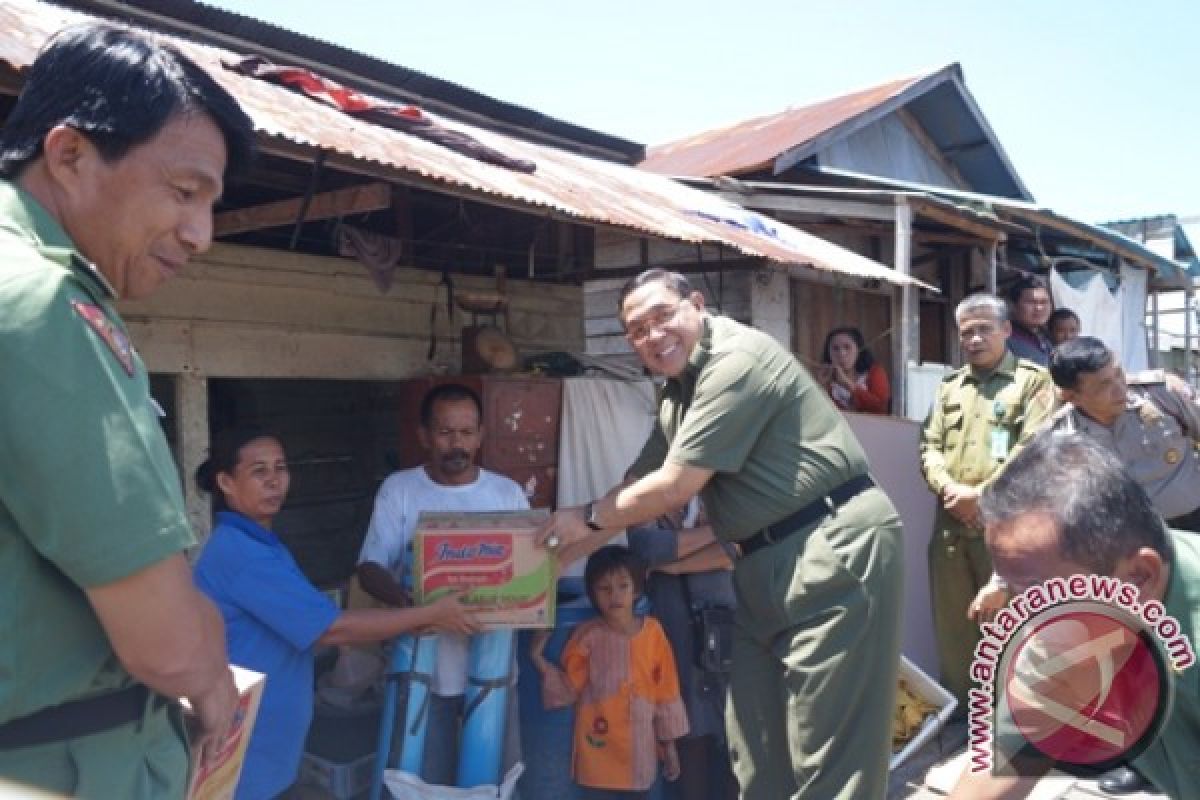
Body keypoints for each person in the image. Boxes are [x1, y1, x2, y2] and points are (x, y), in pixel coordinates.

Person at [0, 23, 256, 798]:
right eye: (184, 193)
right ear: (70, 154)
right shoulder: (41, 303)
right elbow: (168, 646)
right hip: (59, 766)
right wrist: (212, 682)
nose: (200, 235)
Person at [536, 268, 905, 800]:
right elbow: (636, 488)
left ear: (698, 304)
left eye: (663, 316)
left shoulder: (736, 361)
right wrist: (539, 563)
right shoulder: (676, 392)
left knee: (830, 756)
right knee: (754, 745)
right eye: (638, 330)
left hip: (832, 544)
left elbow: (676, 485)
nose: (654, 335)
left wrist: (587, 514)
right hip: (758, 568)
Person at [192, 427, 478, 800]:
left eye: (280, 468)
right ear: (226, 482)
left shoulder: (260, 544)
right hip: (244, 743)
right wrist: (429, 614)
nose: (275, 480)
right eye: (259, 471)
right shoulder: (240, 554)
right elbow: (331, 629)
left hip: (266, 742)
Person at [975, 336, 1200, 795]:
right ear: (1071, 394)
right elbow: (1007, 755)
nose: (1120, 388)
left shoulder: (1162, 394)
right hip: (1111, 553)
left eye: (1118, 375)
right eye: (1103, 384)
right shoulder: (1056, 441)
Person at [356, 383, 529, 785]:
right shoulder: (399, 490)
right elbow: (369, 566)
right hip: (421, 669)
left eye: (467, 433)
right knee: (421, 781)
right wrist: (416, 608)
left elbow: (530, 573)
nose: (457, 444)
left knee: (492, 781)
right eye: (445, 432)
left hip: (495, 668)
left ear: (481, 436)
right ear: (424, 436)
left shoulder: (506, 494)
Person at [919, 293, 1055, 710]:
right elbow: (929, 446)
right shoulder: (949, 387)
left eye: (984, 329)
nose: (975, 339)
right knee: (955, 627)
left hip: (1006, 524)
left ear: (1006, 331)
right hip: (950, 525)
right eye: (967, 332)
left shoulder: (1032, 382)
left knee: (1013, 627)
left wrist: (981, 495)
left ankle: (1016, 721)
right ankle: (964, 717)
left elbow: (1035, 447)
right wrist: (950, 490)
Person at [532, 545, 689, 800]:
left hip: (640, 756)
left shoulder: (653, 633)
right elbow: (570, 688)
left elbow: (666, 692)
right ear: (592, 594)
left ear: (637, 588)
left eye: (622, 586)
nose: (614, 595)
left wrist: (669, 746)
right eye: (604, 589)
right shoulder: (587, 635)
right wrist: (537, 659)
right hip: (598, 756)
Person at [626, 501, 739, 800]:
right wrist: (717, 531)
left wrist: (671, 565)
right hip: (675, 632)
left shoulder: (730, 486)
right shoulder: (648, 484)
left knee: (740, 736)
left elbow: (737, 547)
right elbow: (646, 548)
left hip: (732, 627)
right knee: (687, 730)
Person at [816, 326, 891, 413]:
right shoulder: (826, 379)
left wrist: (848, 384)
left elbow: (880, 408)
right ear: (828, 353)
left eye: (847, 347)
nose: (841, 354)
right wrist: (819, 386)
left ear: (858, 350)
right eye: (835, 349)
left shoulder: (874, 372)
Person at [1006, 275, 1054, 365]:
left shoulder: (1046, 341)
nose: (1039, 308)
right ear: (1013, 306)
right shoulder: (1004, 340)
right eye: (1031, 302)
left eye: (1044, 302)